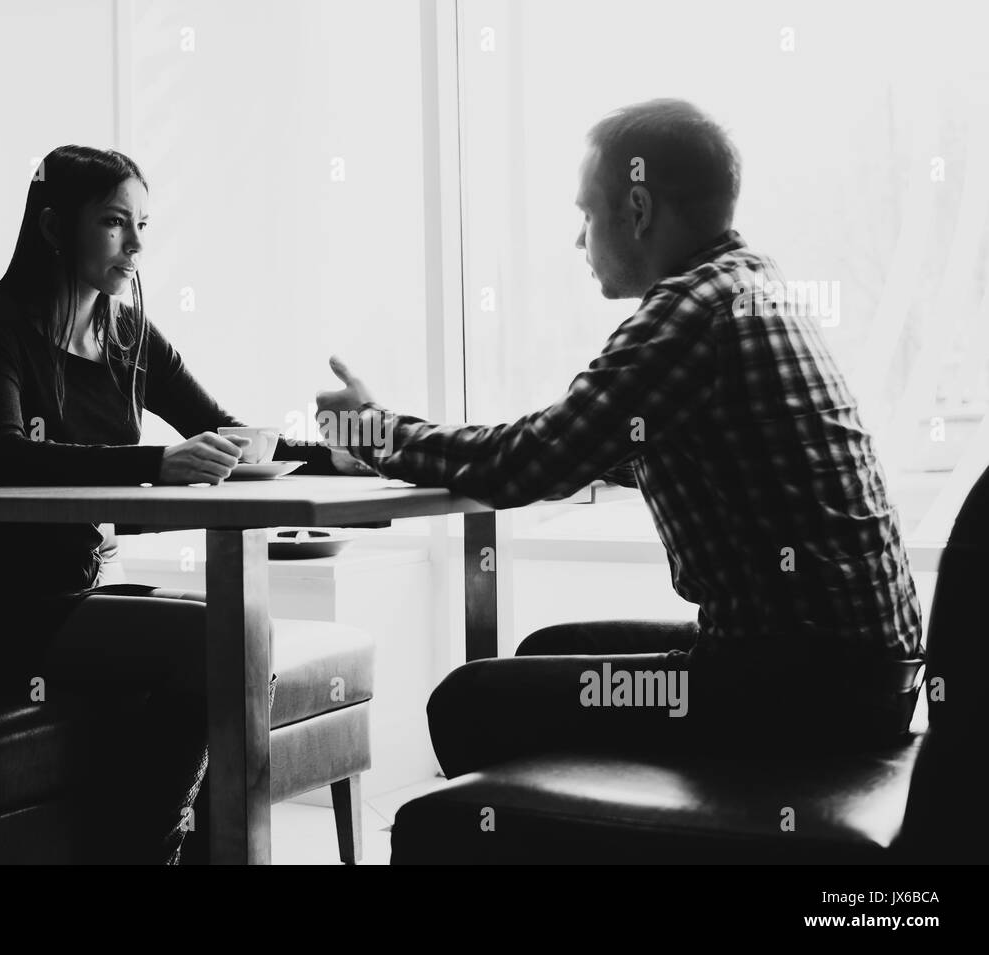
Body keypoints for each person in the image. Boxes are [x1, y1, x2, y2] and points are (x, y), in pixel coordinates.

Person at [315, 99, 926, 775]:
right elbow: (680, 446)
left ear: (637, 209)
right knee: (546, 650)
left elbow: (520, 467)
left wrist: (370, 428)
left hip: (793, 687)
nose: (580, 241)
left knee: (470, 700)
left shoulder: (690, 310)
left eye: (586, 214)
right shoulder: (753, 283)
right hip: (861, 677)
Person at [0, 144, 366, 864]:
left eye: (143, 224)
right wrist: (157, 463)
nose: (137, 245)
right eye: (115, 223)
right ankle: (148, 852)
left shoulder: (128, 334)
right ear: (54, 226)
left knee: (238, 631)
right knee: (217, 643)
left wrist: (341, 453)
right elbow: (3, 460)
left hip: (73, 592)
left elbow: (226, 435)